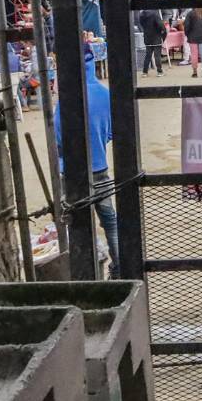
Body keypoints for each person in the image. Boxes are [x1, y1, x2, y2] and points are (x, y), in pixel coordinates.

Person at [54, 42, 120, 278]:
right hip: (100, 167)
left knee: (78, 223)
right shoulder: (105, 94)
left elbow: (58, 137)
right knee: (110, 221)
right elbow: (113, 131)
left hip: (72, 172)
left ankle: (85, 273)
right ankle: (119, 267)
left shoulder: (67, 98)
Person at [183, 7, 202, 78]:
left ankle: (194, 72)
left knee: (194, 55)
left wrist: (188, 35)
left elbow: (186, 26)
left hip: (192, 37)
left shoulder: (190, 13)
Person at [138, 8, 166, 77]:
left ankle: (145, 72)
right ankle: (160, 71)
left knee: (148, 56)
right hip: (156, 37)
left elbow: (141, 25)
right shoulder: (155, 14)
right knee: (157, 56)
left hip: (147, 37)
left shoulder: (141, 15)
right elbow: (161, 26)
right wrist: (163, 35)